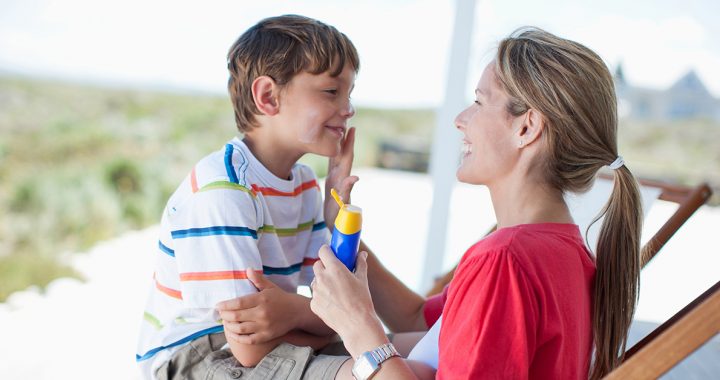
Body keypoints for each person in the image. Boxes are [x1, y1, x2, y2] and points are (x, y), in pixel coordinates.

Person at [305, 27, 644, 379]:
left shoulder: (505, 260)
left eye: (480, 102)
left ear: (526, 128)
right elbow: (422, 320)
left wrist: (360, 329)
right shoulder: (565, 252)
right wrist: (339, 228)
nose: (460, 119)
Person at [135, 14, 360, 380]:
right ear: (268, 96)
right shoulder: (225, 190)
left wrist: (337, 215)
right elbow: (250, 346)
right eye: (332, 91)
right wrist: (312, 317)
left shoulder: (302, 183)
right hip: (196, 357)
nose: (348, 108)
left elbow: (337, 301)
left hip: (266, 342)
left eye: (351, 93)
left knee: (400, 358)